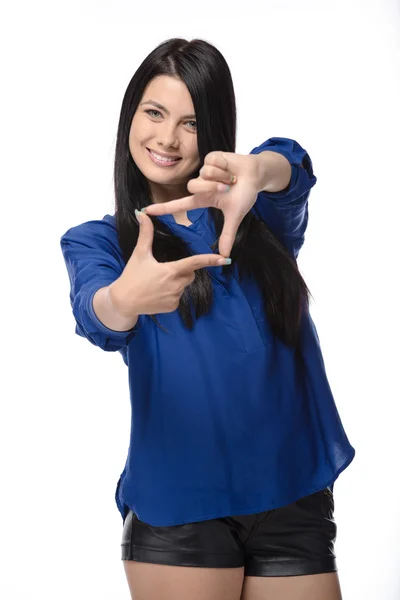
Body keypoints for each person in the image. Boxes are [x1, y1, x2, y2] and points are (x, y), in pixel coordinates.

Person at [60, 37, 355, 600]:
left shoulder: (257, 214)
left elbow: (288, 163)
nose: (167, 138)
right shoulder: (101, 240)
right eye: (154, 112)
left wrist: (259, 170)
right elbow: (98, 312)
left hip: (292, 496)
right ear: (130, 117)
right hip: (180, 510)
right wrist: (126, 299)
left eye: (191, 122)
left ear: (215, 128)